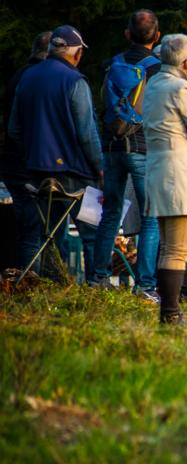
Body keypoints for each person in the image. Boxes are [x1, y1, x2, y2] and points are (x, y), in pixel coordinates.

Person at [8, 25, 102, 280]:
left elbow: (14, 129)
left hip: (36, 169)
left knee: (42, 232)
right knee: (92, 231)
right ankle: (96, 287)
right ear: (76, 53)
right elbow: (87, 133)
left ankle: (38, 284)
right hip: (74, 170)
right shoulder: (74, 80)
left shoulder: (27, 77)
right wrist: (99, 167)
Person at [91, 9, 161, 301]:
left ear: (127, 34)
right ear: (156, 37)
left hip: (112, 147)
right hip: (143, 148)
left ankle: (98, 278)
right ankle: (145, 285)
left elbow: (101, 108)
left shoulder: (111, 65)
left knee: (110, 214)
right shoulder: (157, 68)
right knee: (150, 218)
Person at [142, 34, 187, 324]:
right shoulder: (181, 88)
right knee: (179, 250)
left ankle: (168, 309)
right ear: (186, 62)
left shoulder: (153, 84)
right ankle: (170, 312)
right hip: (181, 174)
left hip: (157, 170)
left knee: (166, 247)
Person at [2, 32, 51, 270]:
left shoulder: (17, 76)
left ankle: (20, 279)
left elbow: (12, 128)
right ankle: (31, 282)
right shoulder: (39, 80)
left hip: (12, 162)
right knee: (34, 229)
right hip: (30, 163)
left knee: (21, 228)